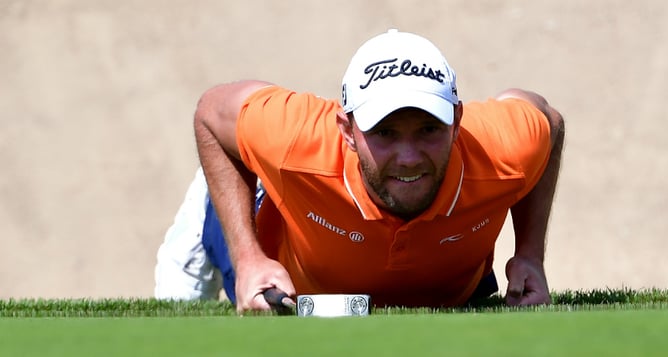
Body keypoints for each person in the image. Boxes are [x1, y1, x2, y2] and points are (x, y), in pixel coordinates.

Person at [155, 29, 565, 312]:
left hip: (450, 288)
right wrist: (247, 258)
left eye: (428, 129)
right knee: (180, 312)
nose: (408, 158)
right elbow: (211, 111)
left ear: (457, 122)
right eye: (384, 132)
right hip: (280, 253)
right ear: (346, 130)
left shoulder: (501, 148)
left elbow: (549, 121)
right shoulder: (296, 140)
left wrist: (530, 255)